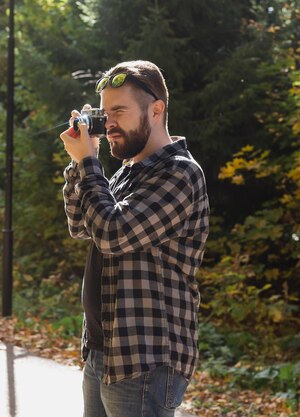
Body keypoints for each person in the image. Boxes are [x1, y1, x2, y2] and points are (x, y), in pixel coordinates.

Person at [59, 60, 210, 417]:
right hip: (104, 351)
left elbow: (113, 233)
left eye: (119, 111)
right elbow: (81, 224)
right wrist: (80, 162)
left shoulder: (180, 173)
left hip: (145, 360)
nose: (109, 123)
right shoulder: (128, 174)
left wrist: (90, 166)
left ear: (156, 110)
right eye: (104, 112)